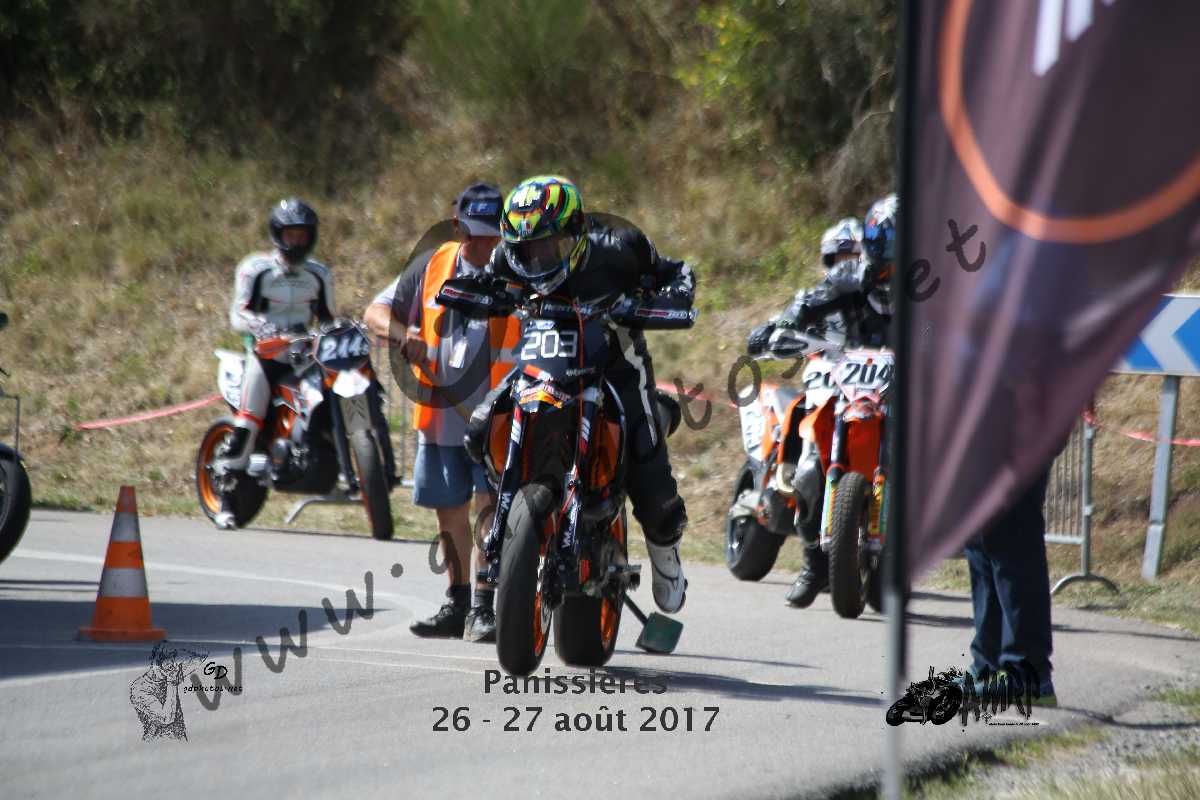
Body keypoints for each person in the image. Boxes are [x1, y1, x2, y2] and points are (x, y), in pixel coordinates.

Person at [479, 175, 697, 614]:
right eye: (527, 251)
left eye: (549, 247)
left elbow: (677, 274)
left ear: (577, 232)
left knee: (648, 464)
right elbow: (481, 283)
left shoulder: (621, 247)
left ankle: (665, 557)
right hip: (541, 365)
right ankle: (518, 512)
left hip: (615, 363)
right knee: (479, 428)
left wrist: (664, 301)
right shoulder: (505, 256)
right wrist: (474, 294)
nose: (537, 259)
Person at [364, 183, 520, 642]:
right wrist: (404, 334)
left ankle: (484, 607)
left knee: (490, 507)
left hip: (500, 415)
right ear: (457, 227)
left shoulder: (519, 271)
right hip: (442, 416)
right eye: (476, 235)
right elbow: (375, 312)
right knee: (449, 512)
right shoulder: (431, 266)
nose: (485, 244)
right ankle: (457, 602)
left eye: (493, 235)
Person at [746, 194, 896, 607]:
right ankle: (814, 563)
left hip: (904, 387)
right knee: (811, 469)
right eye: (887, 255)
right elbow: (807, 302)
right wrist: (783, 325)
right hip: (843, 378)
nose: (893, 267)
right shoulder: (849, 276)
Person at [213, 198, 398, 529]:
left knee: (341, 386)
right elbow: (238, 313)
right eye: (291, 234)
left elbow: (327, 318)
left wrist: (340, 328)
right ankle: (227, 494)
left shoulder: (318, 273)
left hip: (307, 355)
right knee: (250, 419)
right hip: (267, 356)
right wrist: (263, 328)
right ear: (277, 234)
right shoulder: (255, 269)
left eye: (302, 235)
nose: (297, 241)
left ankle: (334, 455)